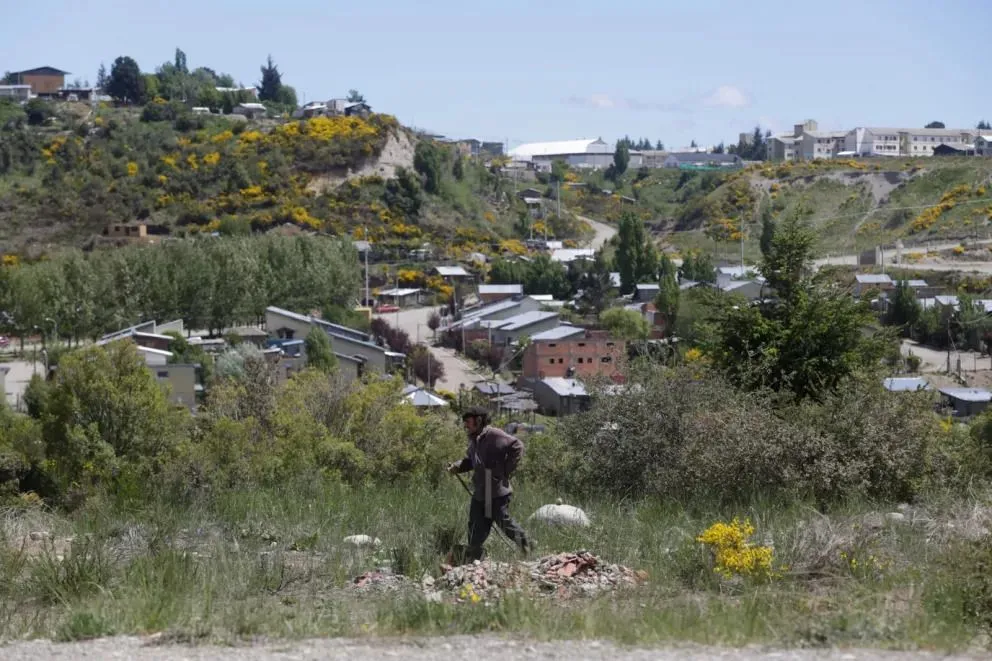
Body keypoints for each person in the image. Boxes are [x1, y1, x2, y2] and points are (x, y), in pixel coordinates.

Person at [448, 406, 531, 561]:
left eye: (468, 421)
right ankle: (475, 557)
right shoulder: (474, 440)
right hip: (481, 490)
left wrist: (506, 470)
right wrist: (457, 466)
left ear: (478, 421)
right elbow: (471, 462)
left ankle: (527, 546)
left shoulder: (494, 434)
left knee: (503, 522)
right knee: (475, 526)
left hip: (496, 490)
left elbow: (517, 446)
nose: (465, 425)